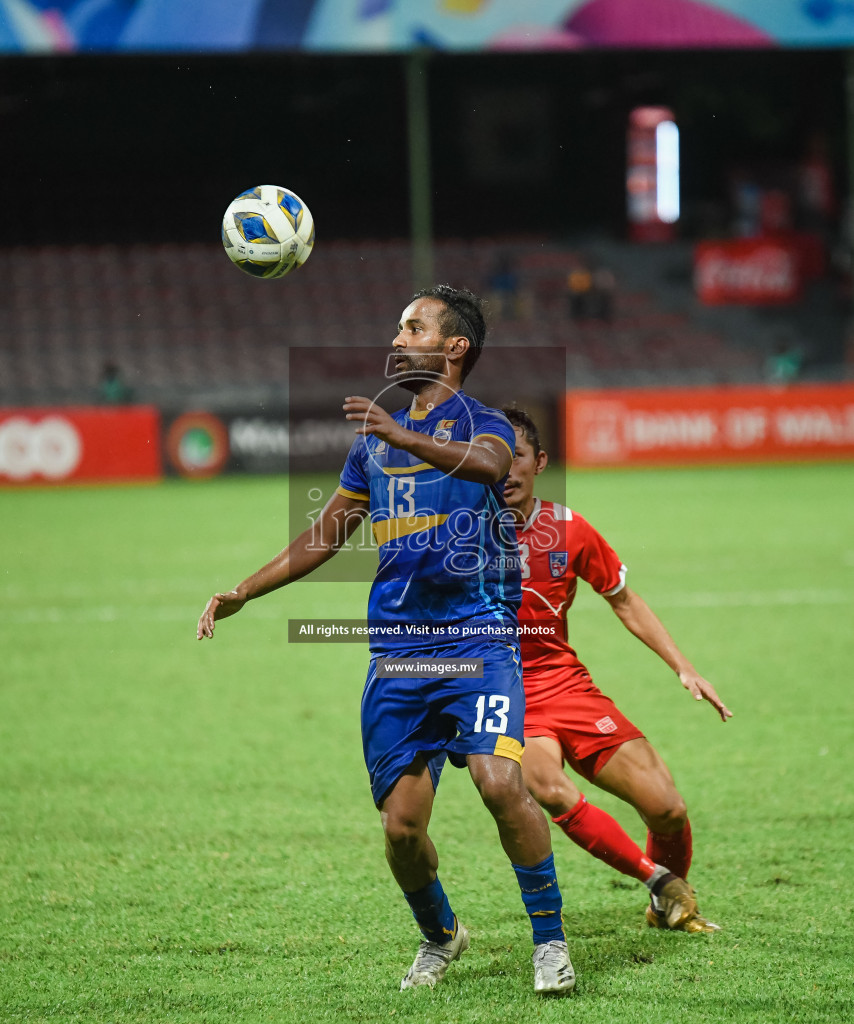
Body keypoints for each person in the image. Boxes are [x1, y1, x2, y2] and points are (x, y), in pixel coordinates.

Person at [197, 286, 575, 995]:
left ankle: (550, 940)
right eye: (398, 327)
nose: (397, 337)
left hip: (478, 642)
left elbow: (492, 467)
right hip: (398, 656)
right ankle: (441, 935)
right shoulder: (370, 445)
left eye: (414, 326)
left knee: (500, 782)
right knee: (401, 828)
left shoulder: (482, 423)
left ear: (454, 347)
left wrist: (401, 435)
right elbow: (325, 535)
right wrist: (247, 588)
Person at [501, 407, 732, 933]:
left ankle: (662, 910)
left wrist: (685, 668)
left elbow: (624, 600)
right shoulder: (457, 534)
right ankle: (661, 883)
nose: (503, 469)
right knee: (547, 783)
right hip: (505, 693)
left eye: (513, 456)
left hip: (566, 686)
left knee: (667, 808)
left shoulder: (569, 531)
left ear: (538, 462)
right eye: (489, 456)